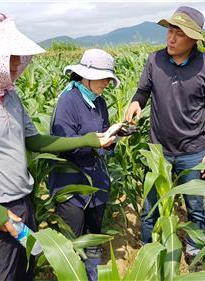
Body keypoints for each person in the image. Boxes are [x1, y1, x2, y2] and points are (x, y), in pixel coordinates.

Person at [0, 13, 115, 281]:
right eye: (10, 56)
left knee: (25, 272)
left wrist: (88, 140)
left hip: (22, 208)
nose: (17, 63)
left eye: (19, 56)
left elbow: (35, 140)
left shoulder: (11, 96)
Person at [125, 6, 205, 272]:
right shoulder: (154, 60)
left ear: (193, 39)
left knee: (195, 207)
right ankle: (148, 250)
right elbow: (143, 90)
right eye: (170, 30)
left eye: (179, 34)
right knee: (149, 207)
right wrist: (136, 103)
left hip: (193, 150)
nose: (171, 38)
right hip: (158, 149)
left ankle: (195, 251)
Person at [48, 49, 120, 281]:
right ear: (85, 76)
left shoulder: (99, 101)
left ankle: (93, 275)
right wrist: (94, 142)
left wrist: (111, 140)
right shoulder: (68, 101)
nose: (107, 83)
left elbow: (103, 137)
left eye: (109, 78)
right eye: (103, 78)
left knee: (93, 238)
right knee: (72, 243)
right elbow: (63, 144)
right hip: (72, 187)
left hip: (97, 184)